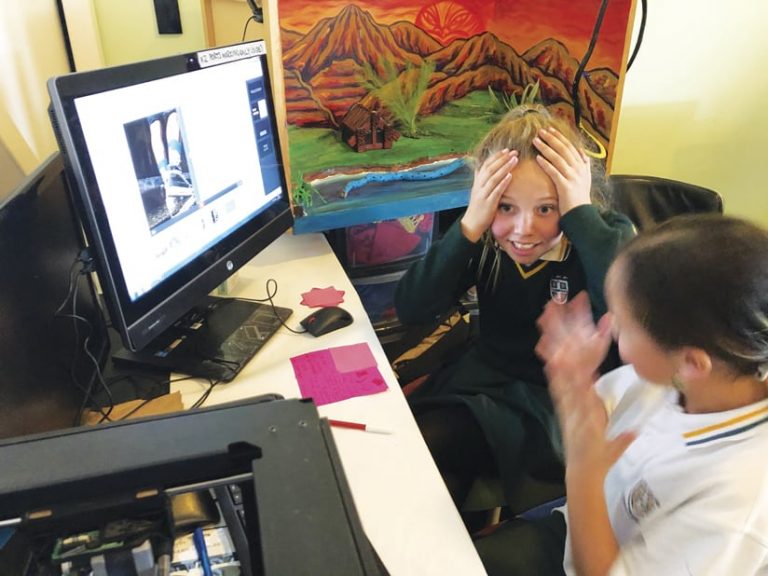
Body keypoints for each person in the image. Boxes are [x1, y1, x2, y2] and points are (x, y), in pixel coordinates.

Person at [476, 214, 768, 575]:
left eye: (624, 325)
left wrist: (582, 474)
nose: (610, 329)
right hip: (579, 525)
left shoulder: (739, 502)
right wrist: (576, 382)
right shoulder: (680, 379)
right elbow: (606, 412)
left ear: (692, 363)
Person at [394, 104, 635, 509]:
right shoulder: (485, 236)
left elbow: (630, 312)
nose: (523, 230)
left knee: (430, 449)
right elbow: (412, 308)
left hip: (558, 404)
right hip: (484, 380)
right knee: (420, 457)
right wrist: (470, 224)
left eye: (547, 208)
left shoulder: (606, 237)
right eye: (506, 207)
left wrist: (580, 214)